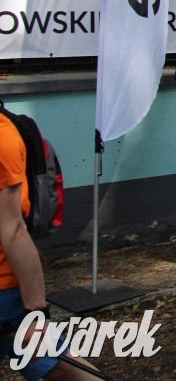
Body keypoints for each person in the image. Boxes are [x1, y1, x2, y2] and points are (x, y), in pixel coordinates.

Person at [0, 112, 99, 380]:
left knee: (61, 367)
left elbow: (13, 229)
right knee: (61, 367)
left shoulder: (3, 137)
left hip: (6, 293)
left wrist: (36, 312)